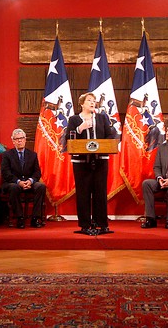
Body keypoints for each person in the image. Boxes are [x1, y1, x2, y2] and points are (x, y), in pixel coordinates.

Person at [65, 92, 117, 236]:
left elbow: (110, 135)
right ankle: (85, 225)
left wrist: (103, 145)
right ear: (82, 103)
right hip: (81, 161)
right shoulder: (74, 119)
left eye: (94, 101)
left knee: (100, 191)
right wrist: (80, 128)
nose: (92, 103)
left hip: (100, 160)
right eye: (89, 100)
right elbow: (69, 137)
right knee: (83, 193)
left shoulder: (102, 118)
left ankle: (102, 224)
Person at [0, 128, 47, 229]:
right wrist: (19, 182)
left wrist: (30, 181)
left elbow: (37, 172)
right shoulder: (6, 155)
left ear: (25, 139)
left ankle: (35, 218)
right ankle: (20, 217)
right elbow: (6, 173)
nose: (19, 141)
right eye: (17, 139)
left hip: (28, 181)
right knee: (14, 187)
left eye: (21, 138)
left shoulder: (33, 155)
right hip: (12, 182)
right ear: (13, 141)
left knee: (41, 186)